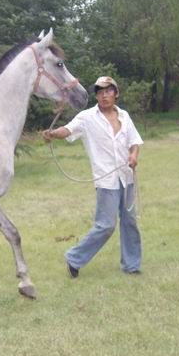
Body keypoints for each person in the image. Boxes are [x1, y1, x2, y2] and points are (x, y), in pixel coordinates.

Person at [42, 76, 143, 278]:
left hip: (127, 177)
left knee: (130, 222)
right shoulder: (87, 118)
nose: (103, 95)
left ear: (116, 93)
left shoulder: (124, 116)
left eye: (108, 91)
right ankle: (74, 258)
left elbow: (134, 141)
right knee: (106, 225)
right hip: (106, 181)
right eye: (99, 92)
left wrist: (133, 155)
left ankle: (131, 265)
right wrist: (53, 133)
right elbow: (68, 130)